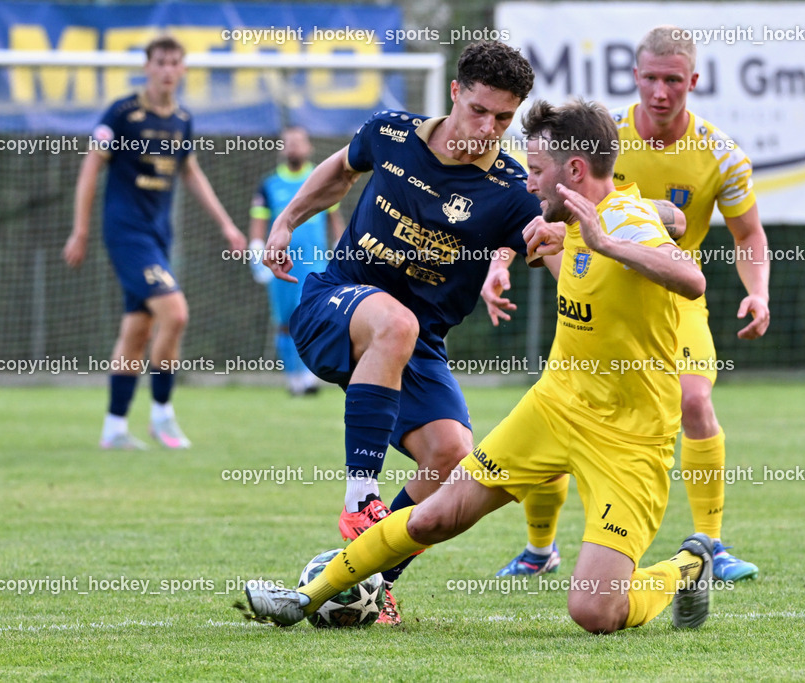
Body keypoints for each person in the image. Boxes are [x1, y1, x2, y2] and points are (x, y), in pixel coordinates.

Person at [240, 99, 713, 634]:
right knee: (435, 514)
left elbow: (690, 277)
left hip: (630, 437)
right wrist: (510, 259)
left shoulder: (621, 222)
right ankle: (303, 598)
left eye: (536, 171)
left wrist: (607, 239)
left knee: (594, 612)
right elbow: (645, 217)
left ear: (574, 172)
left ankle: (687, 567)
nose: (527, 184)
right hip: (553, 409)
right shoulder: (568, 216)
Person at [256, 41, 542, 623]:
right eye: (480, 111)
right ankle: (361, 496)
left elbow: (539, 239)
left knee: (452, 458)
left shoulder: (513, 188)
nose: (490, 128)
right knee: (394, 319)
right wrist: (286, 221)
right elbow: (340, 170)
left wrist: (510, 264)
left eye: (505, 118)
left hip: (417, 346)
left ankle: (367, 577)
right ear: (456, 92)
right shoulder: (391, 133)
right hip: (335, 307)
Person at [486, 26, 770, 582]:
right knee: (565, 402)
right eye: (650, 78)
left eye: (672, 80)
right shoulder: (598, 138)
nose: (660, 91)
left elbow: (748, 236)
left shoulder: (721, 155)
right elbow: (534, 196)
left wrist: (757, 291)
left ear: (693, 81)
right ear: (635, 77)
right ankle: (539, 550)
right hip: (592, 282)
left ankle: (710, 544)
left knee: (694, 399)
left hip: (668, 289)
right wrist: (501, 260)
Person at [62, 36, 246, 450]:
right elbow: (91, 167)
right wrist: (81, 229)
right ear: (147, 66)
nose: (167, 70)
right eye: (160, 62)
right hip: (126, 233)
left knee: (137, 330)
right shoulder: (123, 114)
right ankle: (162, 414)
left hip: (159, 236)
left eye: (174, 63)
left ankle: (113, 428)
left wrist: (227, 225)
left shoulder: (182, 118)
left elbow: (191, 173)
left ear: (182, 69)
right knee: (175, 313)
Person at [247, 126, 346, 396]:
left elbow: (333, 219)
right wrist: (256, 251)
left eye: (298, 143)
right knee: (284, 322)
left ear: (308, 147)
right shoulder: (269, 184)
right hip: (280, 263)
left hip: (315, 264)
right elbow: (258, 222)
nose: (294, 148)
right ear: (282, 148)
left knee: (311, 317)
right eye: (288, 143)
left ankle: (308, 377)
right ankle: (292, 379)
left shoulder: (321, 177)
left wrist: (341, 248)